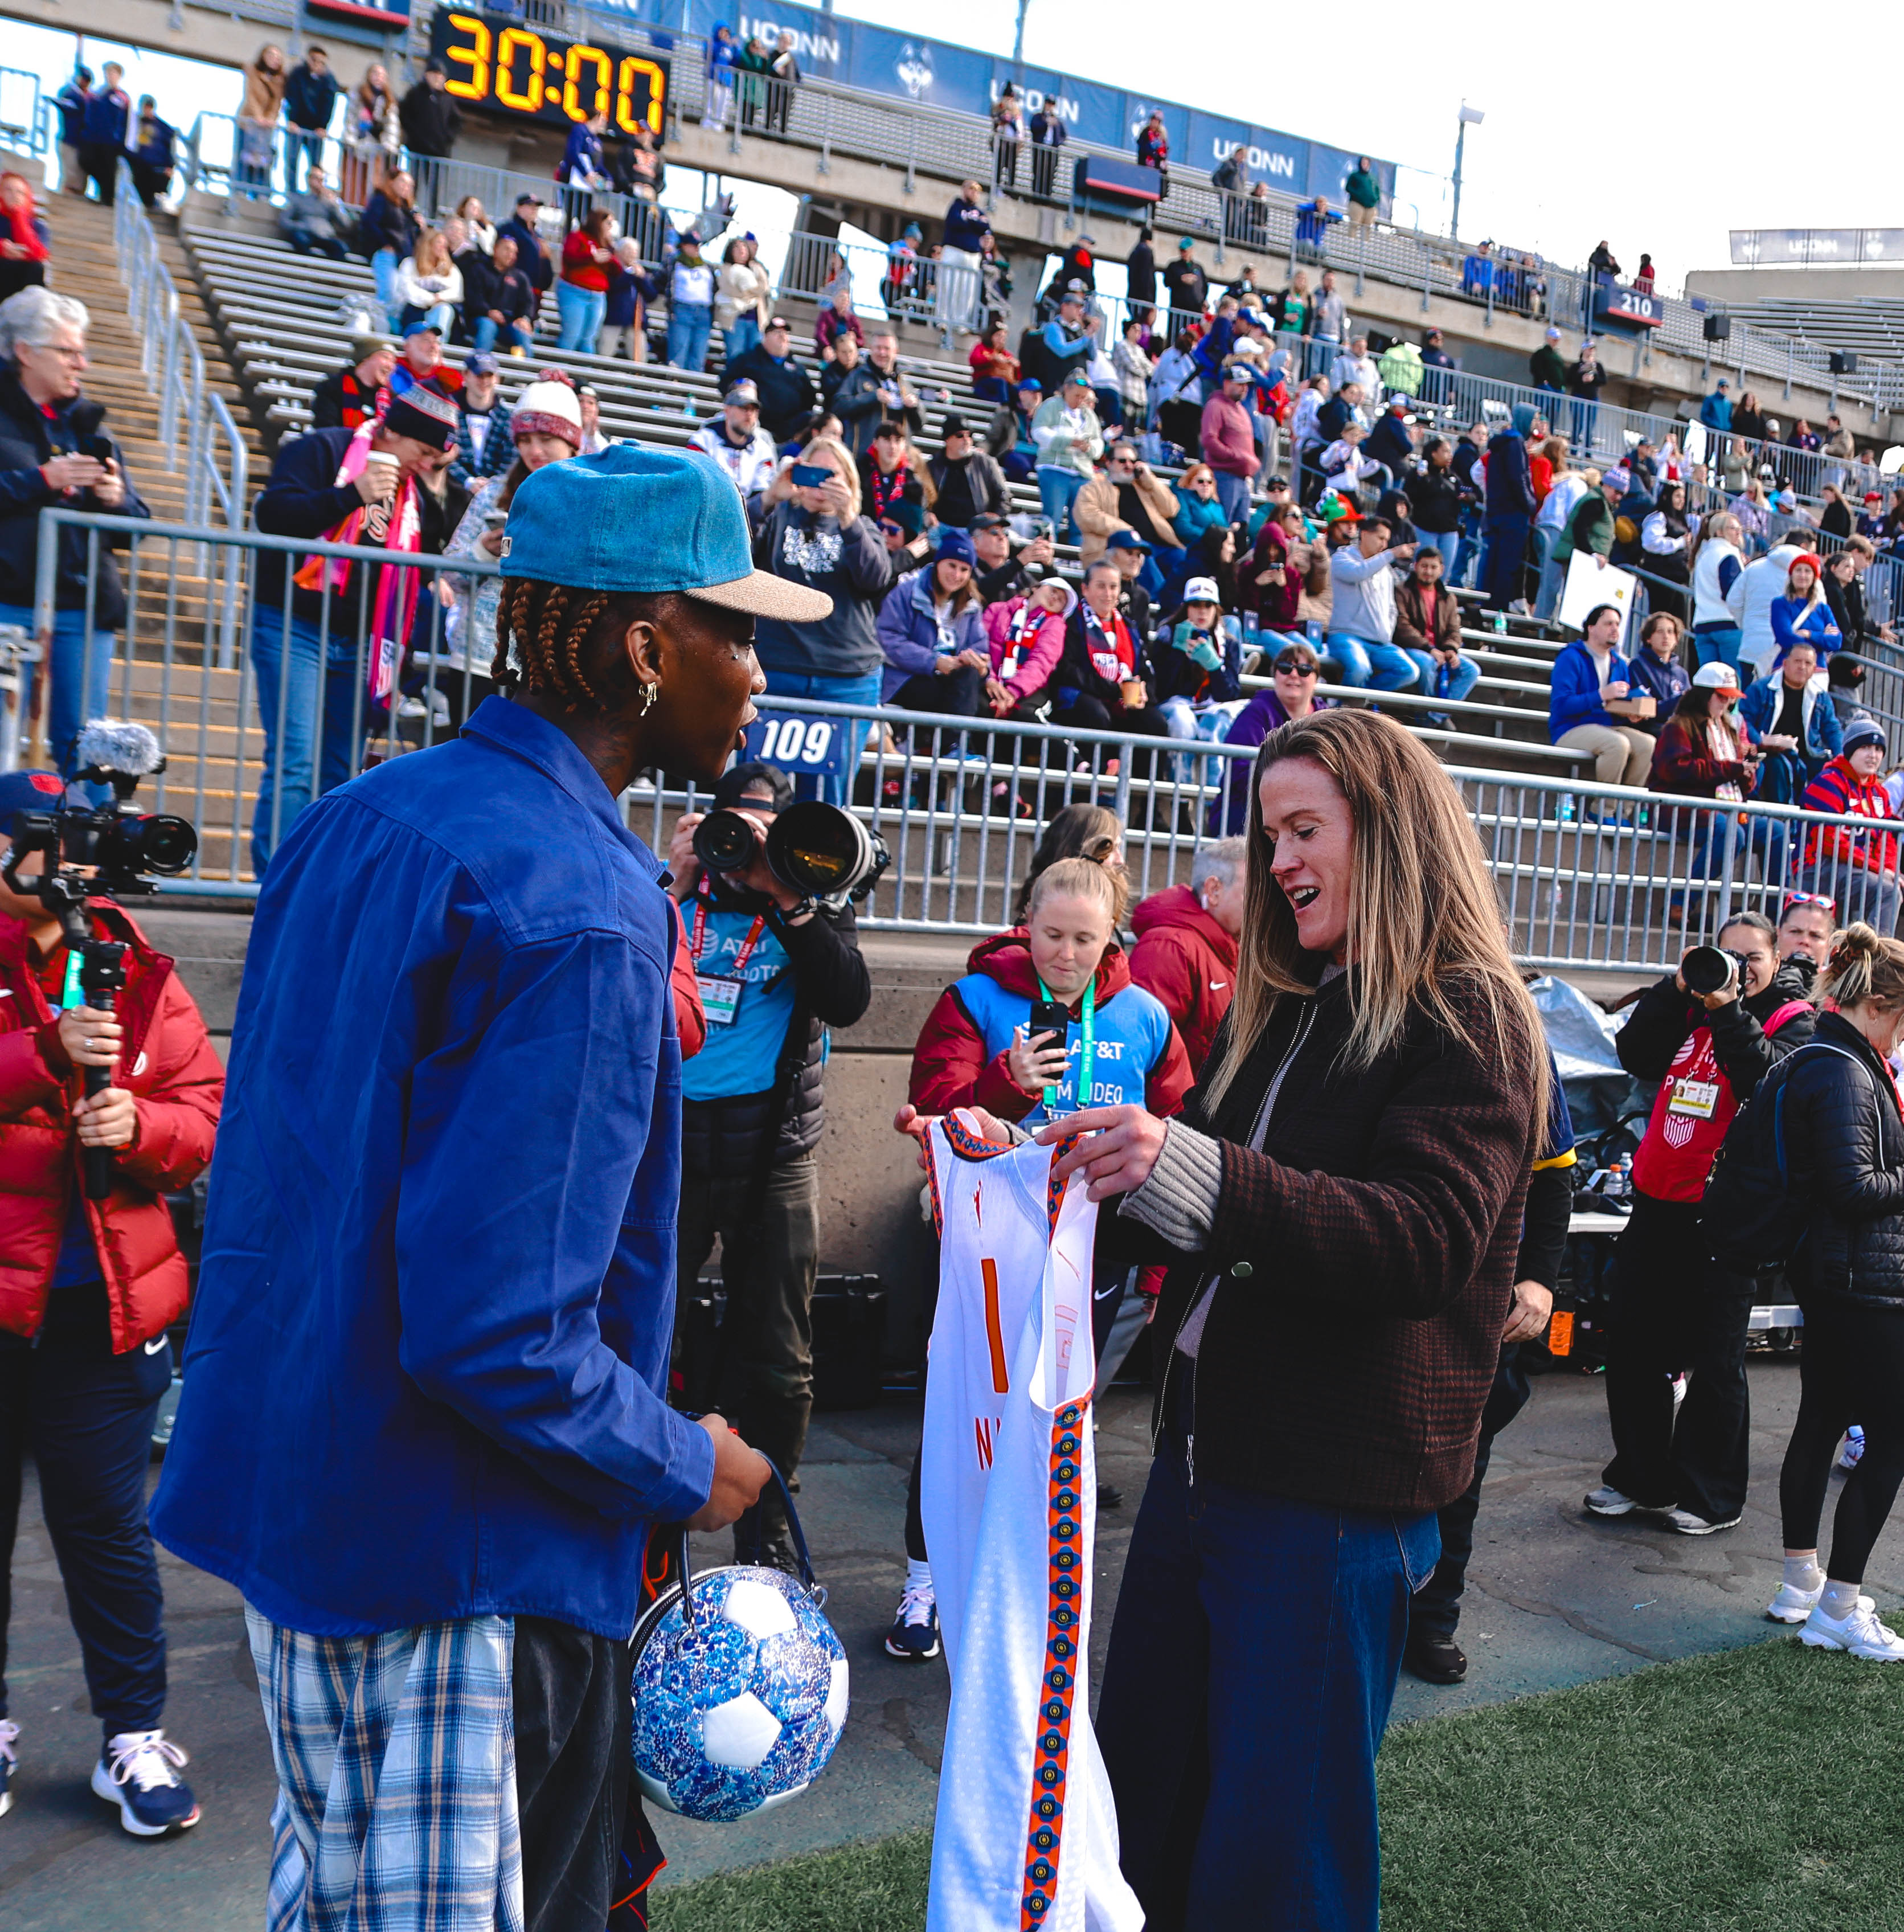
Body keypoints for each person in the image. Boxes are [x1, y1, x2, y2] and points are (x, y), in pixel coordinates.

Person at [153, 446, 791, 1925]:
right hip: (456, 1577)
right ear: (644, 646)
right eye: (733, 630)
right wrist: (693, 1465)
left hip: (308, 1532)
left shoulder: (358, 818)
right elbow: (498, 1333)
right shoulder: (580, 904)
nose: (759, 674)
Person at [1005, 709, 1547, 1929]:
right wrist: (1048, 1172)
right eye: (1269, 833)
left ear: (1396, 833)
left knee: (1275, 1866)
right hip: (1204, 1475)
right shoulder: (1298, 1003)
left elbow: (1417, 1241)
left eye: (1306, 828)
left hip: (1328, 1506)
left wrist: (1182, 1165)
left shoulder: (1474, 1015)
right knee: (1145, 1818)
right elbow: (1199, 1209)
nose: (1280, 861)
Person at [891, 854, 1190, 1655]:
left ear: (1110, 939)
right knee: (961, 1416)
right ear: (1023, 923)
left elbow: (1178, 1139)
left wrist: (1155, 1271)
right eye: (1049, 934)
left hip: (1094, 1258)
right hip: (983, 1257)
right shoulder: (976, 999)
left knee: (1058, 1424)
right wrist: (1003, 1084)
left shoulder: (1144, 1017)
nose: (1063, 953)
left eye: (1083, 940)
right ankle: (925, 1584)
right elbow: (933, 1118)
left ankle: (1027, 1593)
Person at [0, 766, 223, 1837]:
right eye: (44, 842)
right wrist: (42, 1052)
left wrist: (140, 1131)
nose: (64, 864)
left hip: (102, 1309)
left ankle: (132, 1736)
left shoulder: (130, 960)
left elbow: (202, 1113)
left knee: (106, 1531)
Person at [662, 757, 868, 1570]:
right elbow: (612, 970)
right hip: (669, 1151)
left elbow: (847, 996)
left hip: (772, 1156)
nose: (747, 841)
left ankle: (769, 1528)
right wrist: (673, 881)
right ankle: (645, 1517)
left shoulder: (814, 901)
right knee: (645, 1338)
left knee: (779, 1362)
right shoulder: (675, 900)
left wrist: (788, 896)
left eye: (766, 826)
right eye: (735, 823)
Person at [1591, 912, 1817, 1534]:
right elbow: (1633, 1053)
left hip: (1724, 1217)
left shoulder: (1791, 1022)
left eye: (1751, 957)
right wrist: (1676, 986)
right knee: (1633, 1348)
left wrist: (1726, 1007)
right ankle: (1639, 1479)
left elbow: (1765, 1082)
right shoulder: (1688, 1009)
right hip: (1656, 1204)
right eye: (1725, 955)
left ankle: (1711, 1495)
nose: (1737, 967)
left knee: (1714, 1361)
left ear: (1774, 964)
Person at [245, 381, 458, 871]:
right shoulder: (321, 449)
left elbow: (419, 575)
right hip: (294, 624)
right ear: (390, 432)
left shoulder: (416, 495)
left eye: (435, 456)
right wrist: (349, 496)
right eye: (421, 450)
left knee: (342, 770)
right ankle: (276, 880)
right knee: (295, 761)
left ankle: (318, 882)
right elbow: (274, 515)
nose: (425, 463)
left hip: (365, 639)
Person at [1764, 925, 1904, 1655]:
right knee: (1887, 1440)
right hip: (1861, 1283)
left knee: (1820, 1423)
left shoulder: (1829, 1055)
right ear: (1879, 1004)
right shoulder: (1844, 1066)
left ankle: (1803, 1585)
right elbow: (1853, 1188)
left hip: (1837, 1276)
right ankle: (1837, 1605)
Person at [0, 289, 150, 779]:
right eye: (67, 351)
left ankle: (82, 855)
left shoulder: (90, 426)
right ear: (24, 351)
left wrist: (116, 500)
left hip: (83, 609)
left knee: (87, 749)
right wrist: (42, 480)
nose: (81, 364)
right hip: (9, 605)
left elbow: (137, 524)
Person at [751, 434, 895, 805]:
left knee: (826, 803)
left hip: (846, 679)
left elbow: (876, 579)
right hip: (777, 671)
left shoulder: (863, 527)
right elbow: (732, 549)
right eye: (814, 473)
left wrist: (848, 520)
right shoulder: (776, 516)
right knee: (756, 791)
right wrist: (769, 496)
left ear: (849, 482)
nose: (822, 485)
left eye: (833, 476)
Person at [437, 375, 582, 731]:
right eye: (525, 440)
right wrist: (482, 553)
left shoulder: (592, 498)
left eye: (546, 439)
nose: (534, 450)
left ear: (572, 441)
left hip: (555, 665)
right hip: (479, 659)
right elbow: (452, 574)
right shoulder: (494, 493)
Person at [1129, 839, 1244, 1073]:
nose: (1266, 903)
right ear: (1214, 890)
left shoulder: (1226, 946)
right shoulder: (1168, 948)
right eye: (1257, 890)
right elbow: (1146, 1052)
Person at [1051, 558, 1173, 751]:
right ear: (1085, 589)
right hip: (1080, 698)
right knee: (1096, 713)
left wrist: (1143, 692)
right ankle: (1096, 775)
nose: (1108, 594)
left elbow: (1144, 668)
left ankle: (1144, 780)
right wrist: (1113, 690)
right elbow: (1067, 670)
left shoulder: (1129, 626)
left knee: (1154, 722)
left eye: (1113, 587)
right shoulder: (1071, 622)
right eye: (1101, 586)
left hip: (1122, 700)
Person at [876, 529, 992, 727]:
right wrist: (934, 662)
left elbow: (980, 647)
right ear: (938, 563)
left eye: (964, 570)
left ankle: (955, 748)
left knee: (985, 705)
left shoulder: (972, 605)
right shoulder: (907, 593)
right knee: (948, 699)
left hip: (954, 679)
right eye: (952, 566)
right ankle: (955, 749)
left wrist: (980, 665)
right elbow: (889, 639)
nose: (956, 575)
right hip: (905, 677)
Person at [1799, 721, 1901, 935]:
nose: (1873, 755)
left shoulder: (1879, 793)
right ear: (1850, 751)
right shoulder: (1828, 782)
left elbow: (1887, 839)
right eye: (1865, 748)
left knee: (1891, 886)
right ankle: (1876, 958)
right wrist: (1878, 869)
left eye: (1879, 749)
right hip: (1820, 866)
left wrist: (1889, 869)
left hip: (1858, 869)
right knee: (1887, 891)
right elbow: (1829, 842)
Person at [1549, 603, 1656, 789]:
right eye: (1608, 624)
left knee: (1648, 744)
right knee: (1618, 744)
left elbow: (1613, 706)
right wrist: (1601, 695)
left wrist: (1629, 713)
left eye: (1617, 624)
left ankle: (1625, 810)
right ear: (1591, 628)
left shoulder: (1619, 663)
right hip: (1570, 727)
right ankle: (1602, 811)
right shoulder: (1571, 657)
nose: (1615, 629)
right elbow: (1562, 705)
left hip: (1607, 726)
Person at [1739, 639, 1841, 804]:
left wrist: (1841, 756)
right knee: (1777, 768)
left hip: (1808, 754)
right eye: (1798, 661)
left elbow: (1832, 728)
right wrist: (1761, 741)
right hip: (1767, 753)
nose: (1802, 667)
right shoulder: (1761, 689)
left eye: (1808, 663)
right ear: (1785, 664)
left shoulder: (1821, 696)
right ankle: (1780, 821)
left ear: (1814, 669)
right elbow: (1744, 720)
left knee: (1830, 774)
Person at [1325, 515, 1418, 691]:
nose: (1384, 545)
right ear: (1365, 534)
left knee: (1409, 671)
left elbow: (1392, 607)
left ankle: (1360, 701)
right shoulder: (1342, 557)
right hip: (1346, 636)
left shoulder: (1384, 568)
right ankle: (1343, 709)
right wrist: (1391, 554)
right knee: (1360, 669)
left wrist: (1387, 631)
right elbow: (1359, 572)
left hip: (1379, 642)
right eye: (1381, 538)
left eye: (1387, 541)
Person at [1393, 546, 1481, 717]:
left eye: (1434, 567)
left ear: (1442, 570)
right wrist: (1429, 649)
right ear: (1416, 566)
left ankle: (1435, 717)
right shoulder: (1402, 591)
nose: (1429, 572)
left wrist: (1451, 649)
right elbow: (1402, 627)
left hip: (1440, 650)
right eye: (1424, 566)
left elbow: (1454, 630)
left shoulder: (1448, 597)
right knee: (1427, 664)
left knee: (1471, 671)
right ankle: (1428, 713)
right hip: (1414, 648)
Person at [981, 573, 1072, 718]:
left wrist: (1011, 692)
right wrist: (989, 679)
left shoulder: (1055, 625)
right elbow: (981, 648)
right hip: (989, 681)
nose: (1055, 598)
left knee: (1023, 716)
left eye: (1061, 600)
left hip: (1029, 689)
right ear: (1036, 588)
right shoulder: (997, 609)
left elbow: (1041, 662)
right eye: (1053, 591)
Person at [1031, 368, 1103, 542]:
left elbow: (1099, 444)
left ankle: (1075, 560)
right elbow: (1038, 432)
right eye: (1077, 396)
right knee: (1052, 519)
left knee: (1080, 524)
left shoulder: (1089, 415)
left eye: (1083, 397)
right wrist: (1068, 441)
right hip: (1055, 469)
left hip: (1082, 474)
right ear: (1066, 389)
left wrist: (1089, 447)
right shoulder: (1051, 405)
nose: (1080, 401)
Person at [723, 314, 816, 445]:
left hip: (789, 430)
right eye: (777, 332)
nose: (783, 336)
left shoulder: (798, 369)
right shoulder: (748, 360)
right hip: (756, 423)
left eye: (785, 333)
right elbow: (726, 382)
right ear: (765, 337)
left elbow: (810, 398)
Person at [1482, 406, 1538, 613]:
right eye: (1533, 421)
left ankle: (1488, 602)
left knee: (1494, 562)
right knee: (1508, 565)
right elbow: (1519, 479)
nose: (1535, 426)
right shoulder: (1515, 443)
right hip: (1513, 515)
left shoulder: (1502, 443)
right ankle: (1498, 609)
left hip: (1498, 511)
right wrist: (1530, 504)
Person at [357, 169, 420, 326]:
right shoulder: (381, 200)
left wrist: (420, 226)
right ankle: (383, 331)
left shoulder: (407, 210)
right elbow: (369, 223)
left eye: (410, 185)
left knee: (399, 299)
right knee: (388, 294)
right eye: (403, 182)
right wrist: (384, 243)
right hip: (388, 254)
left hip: (404, 258)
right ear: (392, 182)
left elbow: (412, 237)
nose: (407, 187)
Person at [397, 58, 460, 211]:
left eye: (440, 76)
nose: (437, 78)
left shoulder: (448, 99)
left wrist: (447, 138)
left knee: (435, 187)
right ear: (426, 75)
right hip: (418, 148)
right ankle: (409, 209)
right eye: (434, 74)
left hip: (439, 152)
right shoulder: (415, 94)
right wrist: (414, 133)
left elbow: (456, 122)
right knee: (414, 183)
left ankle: (432, 214)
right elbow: (404, 115)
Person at [1199, 365, 1260, 523]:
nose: (1245, 388)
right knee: (1223, 525)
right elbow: (1209, 439)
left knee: (1240, 530)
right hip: (1224, 476)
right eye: (1240, 384)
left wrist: (1250, 461)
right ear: (1226, 383)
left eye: (1246, 384)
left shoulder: (1242, 410)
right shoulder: (1216, 405)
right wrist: (1235, 457)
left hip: (1242, 479)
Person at [1688, 509, 1746, 669]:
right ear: (1719, 532)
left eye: (1739, 529)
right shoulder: (1728, 555)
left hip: (1702, 625)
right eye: (1732, 528)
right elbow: (1732, 593)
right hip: (1727, 624)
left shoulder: (1703, 556)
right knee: (1732, 681)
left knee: (1709, 684)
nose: (1738, 533)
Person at [309, 332, 394, 433]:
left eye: (393, 361)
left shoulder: (392, 398)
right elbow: (325, 429)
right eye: (385, 357)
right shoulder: (333, 386)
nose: (391, 366)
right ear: (365, 358)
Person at [556, 207, 615, 354]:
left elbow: (617, 269)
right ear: (598, 222)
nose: (610, 227)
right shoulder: (577, 237)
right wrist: (592, 257)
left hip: (597, 296)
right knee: (572, 336)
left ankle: (583, 376)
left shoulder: (605, 243)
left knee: (589, 340)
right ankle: (560, 373)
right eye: (608, 223)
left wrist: (610, 254)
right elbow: (570, 257)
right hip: (574, 292)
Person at [1770, 551, 1842, 666]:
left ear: (1814, 577)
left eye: (1808, 571)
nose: (1802, 575)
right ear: (1791, 575)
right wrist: (1822, 638)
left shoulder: (1823, 608)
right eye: (1798, 570)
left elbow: (1836, 642)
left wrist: (1809, 634)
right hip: (1788, 668)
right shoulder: (1780, 604)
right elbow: (1786, 638)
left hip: (1817, 671)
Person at [79, 63, 132, 207]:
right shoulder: (97, 94)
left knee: (109, 172)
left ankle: (107, 200)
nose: (110, 76)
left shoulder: (123, 98)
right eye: (108, 73)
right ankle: (104, 190)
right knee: (86, 161)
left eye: (113, 73)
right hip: (93, 139)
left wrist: (122, 143)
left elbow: (127, 123)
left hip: (111, 143)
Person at [282, 43, 339, 178]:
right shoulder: (297, 74)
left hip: (316, 129)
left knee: (315, 164)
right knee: (292, 160)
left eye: (322, 62)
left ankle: (314, 194)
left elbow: (329, 103)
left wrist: (323, 126)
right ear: (308, 59)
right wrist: (291, 120)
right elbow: (292, 98)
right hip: (297, 124)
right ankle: (292, 193)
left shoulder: (329, 80)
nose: (317, 64)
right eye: (314, 60)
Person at [1628, 609, 1691, 728]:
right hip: (1650, 728)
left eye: (1671, 632)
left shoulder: (1682, 674)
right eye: (1660, 631)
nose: (1666, 636)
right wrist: (1681, 699)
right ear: (1648, 638)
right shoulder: (1638, 665)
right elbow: (1646, 710)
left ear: (1677, 639)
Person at [394, 227, 461, 337]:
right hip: (413, 310)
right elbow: (407, 289)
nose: (443, 247)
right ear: (428, 244)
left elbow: (456, 293)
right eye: (439, 243)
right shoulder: (410, 264)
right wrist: (431, 299)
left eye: (445, 244)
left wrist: (440, 297)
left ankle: (437, 343)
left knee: (444, 309)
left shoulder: (452, 269)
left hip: (440, 309)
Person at [716, 235, 772, 364]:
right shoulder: (725, 270)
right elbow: (732, 290)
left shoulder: (757, 269)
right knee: (736, 356)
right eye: (737, 247)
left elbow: (764, 289)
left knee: (755, 357)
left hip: (756, 321)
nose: (742, 250)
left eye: (744, 247)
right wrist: (752, 294)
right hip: (735, 320)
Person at [0, 173, 50, 305]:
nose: (14, 195)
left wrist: (19, 216)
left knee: (36, 267)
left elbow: (39, 254)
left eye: (20, 193)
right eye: (8, 190)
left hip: (22, 282)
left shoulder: (38, 226)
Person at [125, 97, 177, 211]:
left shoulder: (164, 128)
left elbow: (170, 147)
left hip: (157, 168)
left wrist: (170, 166)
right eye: (146, 107)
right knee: (139, 192)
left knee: (152, 195)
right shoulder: (135, 124)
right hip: (139, 165)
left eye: (150, 107)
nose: (147, 110)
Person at [54, 65, 91, 200]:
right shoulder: (70, 93)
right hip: (69, 141)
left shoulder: (87, 97)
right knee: (71, 176)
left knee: (79, 177)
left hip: (81, 143)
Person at [1162, 238, 1209, 337]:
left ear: (1191, 250)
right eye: (1181, 250)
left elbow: (1204, 287)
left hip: (1195, 312)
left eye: (1185, 250)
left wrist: (1203, 301)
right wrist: (1181, 280)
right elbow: (1167, 282)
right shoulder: (1173, 266)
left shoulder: (1198, 268)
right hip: (1178, 311)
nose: (1183, 253)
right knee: (1175, 337)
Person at [1028, 95, 1066, 198]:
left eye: (1052, 104)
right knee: (1038, 172)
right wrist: (1046, 123)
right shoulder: (1038, 117)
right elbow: (1034, 128)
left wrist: (1058, 143)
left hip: (1052, 151)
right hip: (1040, 149)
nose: (1049, 106)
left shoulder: (1058, 121)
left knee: (1050, 174)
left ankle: (1047, 197)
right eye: (1048, 103)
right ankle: (1036, 196)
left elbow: (1063, 136)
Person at [1345, 156, 1380, 230]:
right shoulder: (1355, 176)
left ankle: (1366, 241)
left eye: (1367, 163)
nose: (1365, 165)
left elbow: (1377, 191)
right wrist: (1358, 195)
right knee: (1354, 224)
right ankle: (1352, 240)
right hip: (1357, 204)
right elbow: (1348, 188)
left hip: (1370, 207)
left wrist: (1375, 199)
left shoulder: (1372, 178)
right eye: (1363, 163)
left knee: (1367, 228)